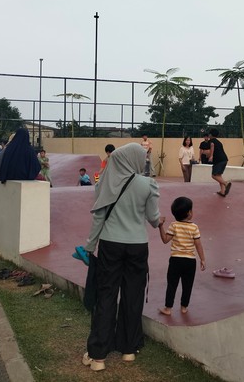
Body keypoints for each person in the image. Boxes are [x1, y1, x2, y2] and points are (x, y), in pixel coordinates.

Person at [81, 143, 161, 372]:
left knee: (106, 295)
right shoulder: (148, 184)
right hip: (137, 246)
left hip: (110, 244)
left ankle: (98, 356)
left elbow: (99, 216)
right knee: (132, 295)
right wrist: (160, 222)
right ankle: (128, 349)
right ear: (135, 159)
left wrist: (90, 246)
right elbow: (154, 218)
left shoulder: (105, 182)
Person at [158, 196, 206, 316]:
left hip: (175, 260)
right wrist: (203, 259)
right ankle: (184, 307)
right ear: (189, 213)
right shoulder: (194, 227)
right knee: (187, 285)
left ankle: (168, 308)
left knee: (172, 284)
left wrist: (160, 226)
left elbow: (165, 240)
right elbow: (198, 244)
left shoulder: (173, 226)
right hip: (190, 262)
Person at [207, 128, 230, 197]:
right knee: (219, 175)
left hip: (219, 161)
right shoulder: (219, 142)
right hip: (224, 160)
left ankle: (226, 184)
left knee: (214, 175)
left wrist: (210, 156)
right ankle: (222, 191)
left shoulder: (211, 141)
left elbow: (212, 146)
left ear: (210, 134)